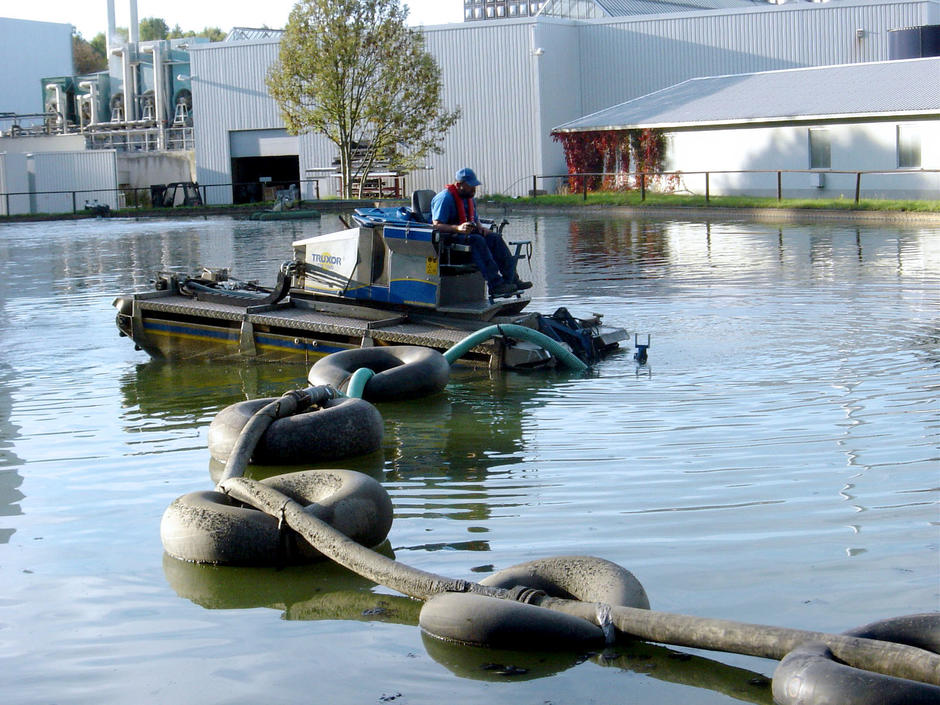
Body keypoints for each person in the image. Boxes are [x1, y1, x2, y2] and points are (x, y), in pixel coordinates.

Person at [431, 168, 532, 298]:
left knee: (494, 238)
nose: (474, 189)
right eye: (470, 186)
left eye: (475, 186)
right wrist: (457, 228)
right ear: (459, 185)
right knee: (477, 241)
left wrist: (481, 228)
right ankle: (496, 285)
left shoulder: (469, 198)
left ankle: (512, 279)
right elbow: (436, 225)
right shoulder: (445, 198)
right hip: (449, 240)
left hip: (467, 235)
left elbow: (474, 218)